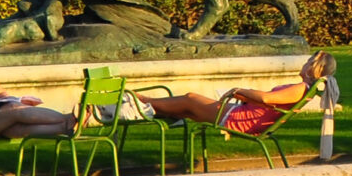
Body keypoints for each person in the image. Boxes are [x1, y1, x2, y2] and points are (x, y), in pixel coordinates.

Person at [136, 50, 335, 135]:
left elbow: (266, 98)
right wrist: (245, 95)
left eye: (308, 61)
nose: (304, 63)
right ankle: (148, 108)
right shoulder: (302, 88)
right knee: (187, 108)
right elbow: (269, 102)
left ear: (313, 68)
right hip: (244, 115)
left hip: (241, 120)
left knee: (190, 99)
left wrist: (240, 90)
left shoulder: (300, 88)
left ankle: (143, 102)